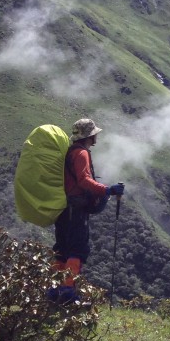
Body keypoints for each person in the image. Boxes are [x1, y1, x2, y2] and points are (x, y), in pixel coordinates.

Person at [51, 118, 124, 296]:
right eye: (94, 134)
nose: (96, 136)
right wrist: (107, 190)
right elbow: (84, 181)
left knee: (62, 248)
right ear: (90, 136)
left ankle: (54, 289)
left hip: (63, 208)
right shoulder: (82, 153)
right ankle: (67, 291)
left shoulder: (68, 152)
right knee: (77, 249)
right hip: (76, 210)